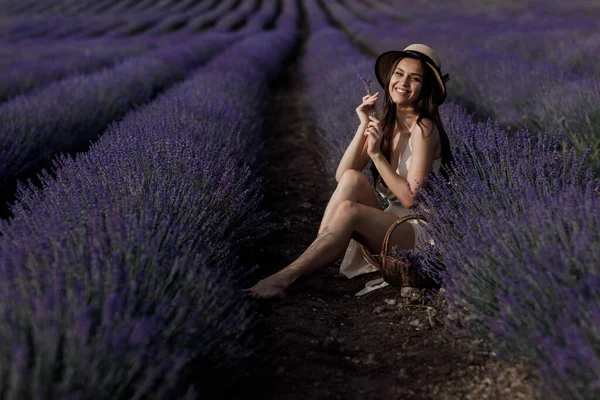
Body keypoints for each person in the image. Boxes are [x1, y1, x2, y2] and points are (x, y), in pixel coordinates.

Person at [244, 44, 452, 300]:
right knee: (354, 179)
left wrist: (376, 155)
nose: (403, 82)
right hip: (390, 221)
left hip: (416, 230)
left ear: (426, 87)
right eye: (399, 73)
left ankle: (284, 278)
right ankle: (313, 266)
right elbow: (343, 175)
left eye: (415, 78)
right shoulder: (387, 124)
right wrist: (363, 126)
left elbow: (410, 198)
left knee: (349, 211)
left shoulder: (424, 128)